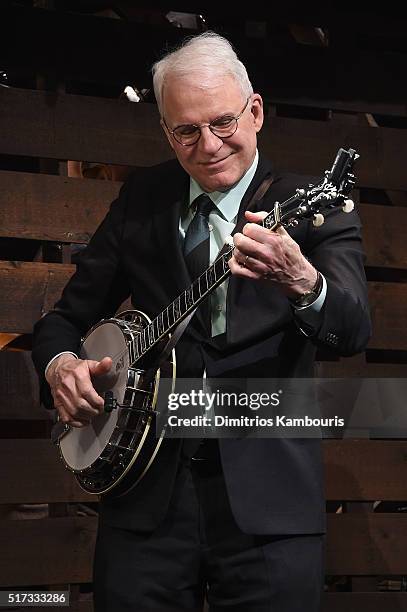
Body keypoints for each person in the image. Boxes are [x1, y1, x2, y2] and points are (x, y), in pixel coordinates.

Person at [32, 32, 371, 612]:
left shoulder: (312, 202)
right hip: (145, 496)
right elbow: (64, 320)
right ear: (165, 129)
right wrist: (61, 366)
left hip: (269, 503)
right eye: (185, 131)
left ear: (256, 111)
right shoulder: (143, 198)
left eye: (222, 123)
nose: (208, 146)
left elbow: (351, 327)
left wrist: (302, 281)